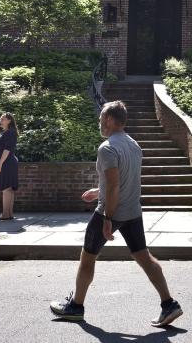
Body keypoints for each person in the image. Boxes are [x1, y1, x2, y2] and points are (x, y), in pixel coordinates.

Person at [50, 101, 183, 327]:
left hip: (110, 211)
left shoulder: (107, 148)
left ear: (110, 120)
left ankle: (76, 307)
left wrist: (108, 218)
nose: (100, 122)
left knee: (87, 258)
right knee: (144, 257)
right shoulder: (134, 145)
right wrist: (97, 190)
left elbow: (113, 187)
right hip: (133, 211)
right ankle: (169, 304)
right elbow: (120, 181)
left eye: (102, 117)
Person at [0, 112, 19, 220]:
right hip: (9, 162)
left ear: (9, 121)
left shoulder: (9, 133)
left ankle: (6, 215)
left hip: (7, 163)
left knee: (6, 189)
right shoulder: (9, 132)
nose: (1, 121)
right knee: (9, 189)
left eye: (3, 119)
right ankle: (9, 214)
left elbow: (7, 150)